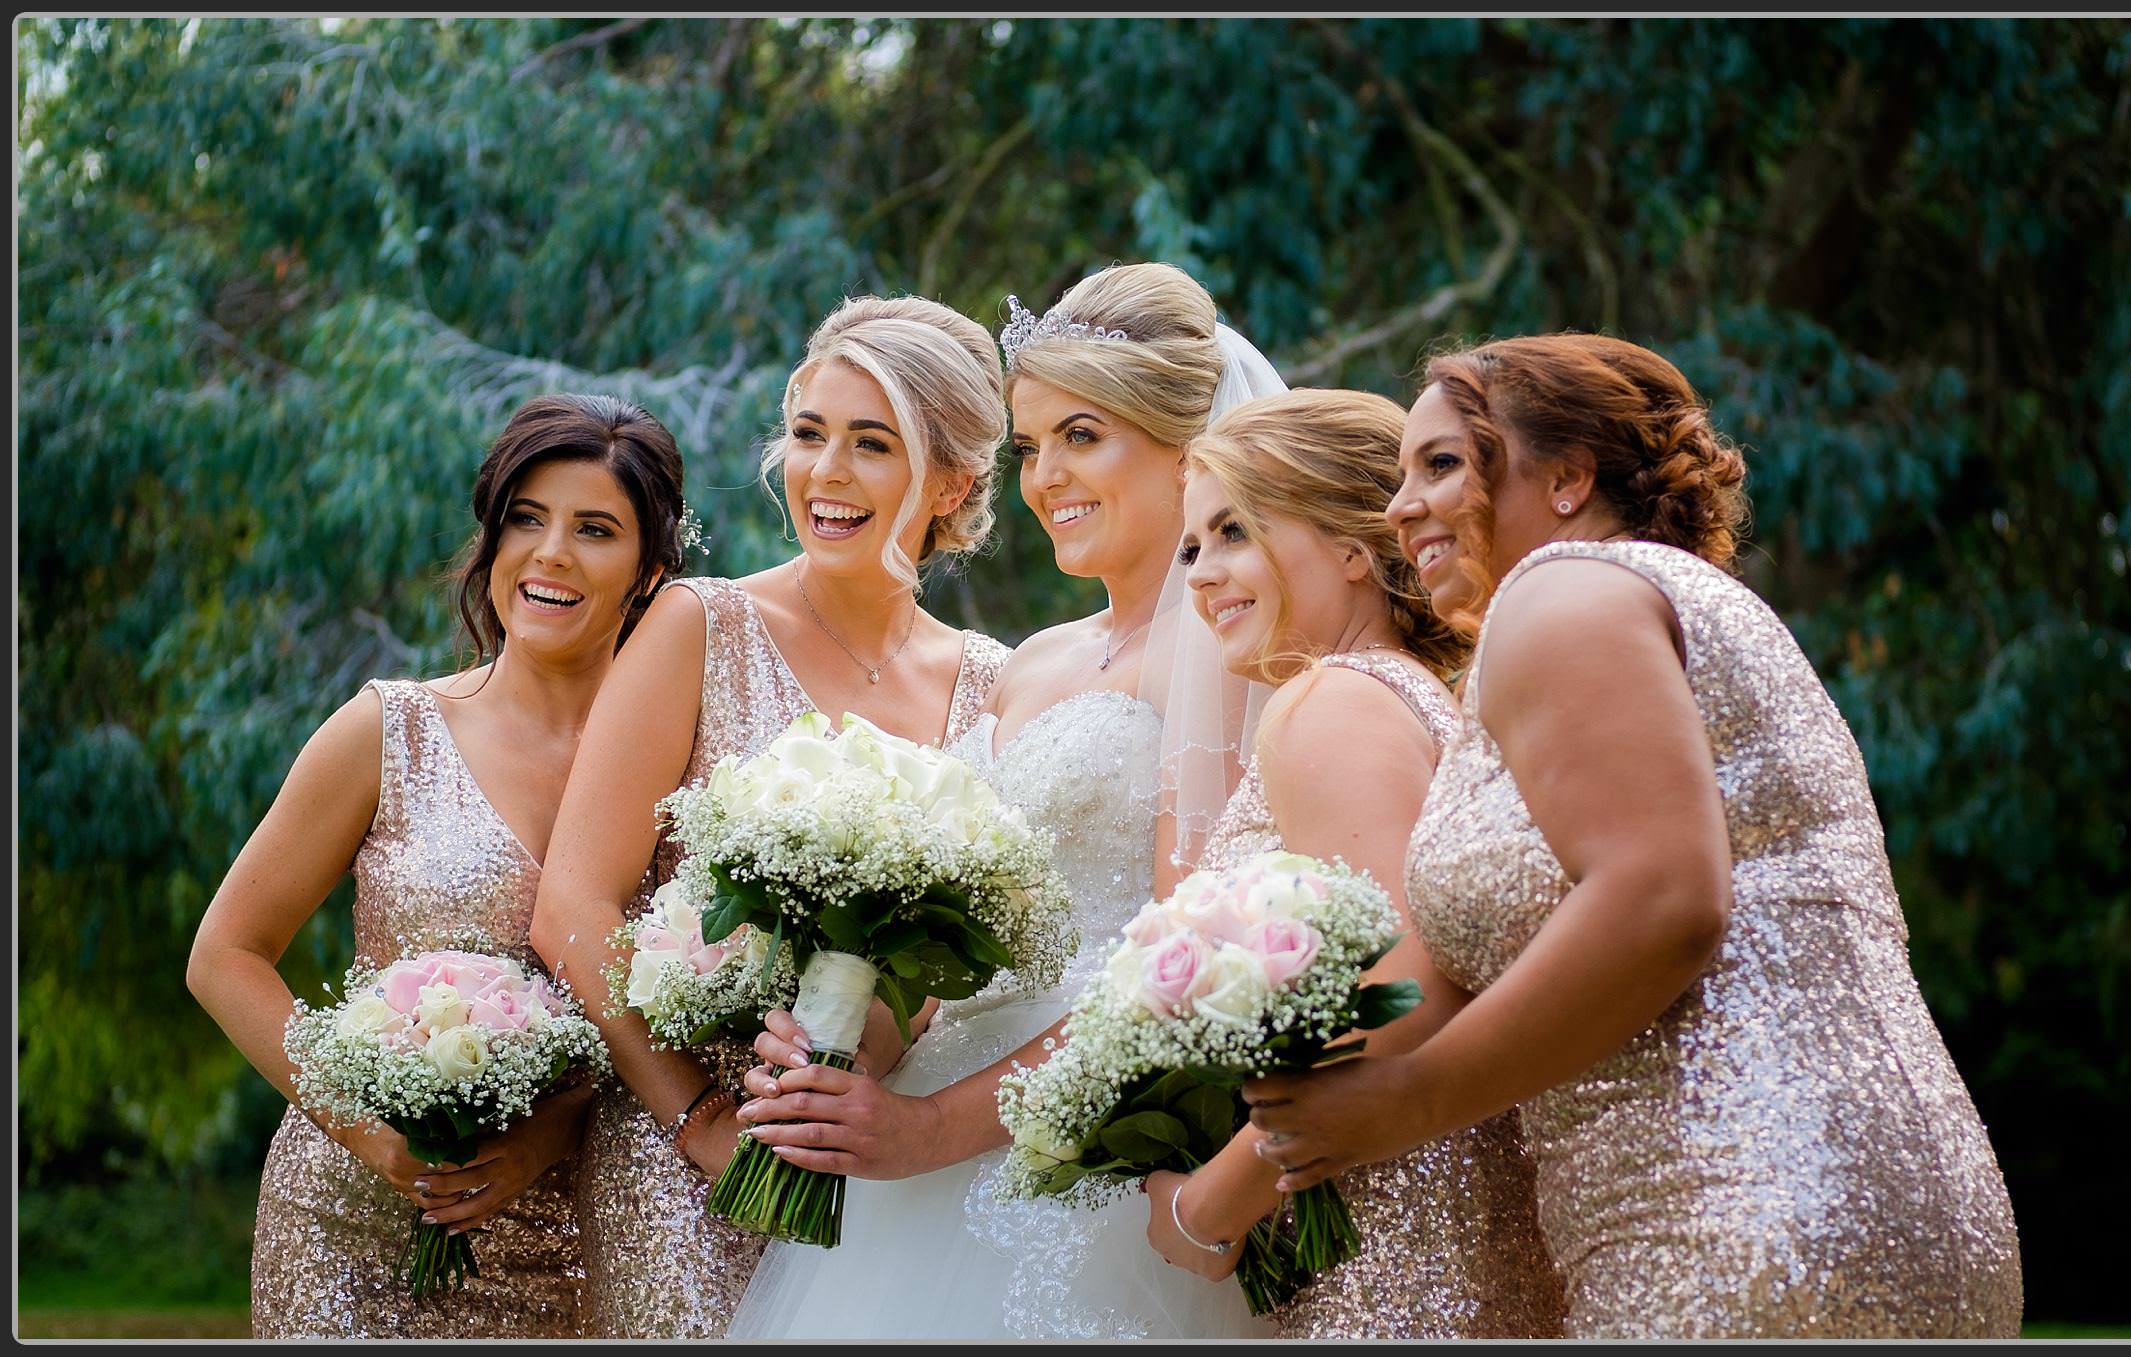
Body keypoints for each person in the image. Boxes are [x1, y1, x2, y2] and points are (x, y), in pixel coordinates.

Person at [1243, 334, 2025, 1338]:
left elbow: (1661, 899)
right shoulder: (1671, 604)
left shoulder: (1562, 593)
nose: (1400, 508)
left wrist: (1402, 1102)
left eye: (1440, 463)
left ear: (1567, 478)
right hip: (1855, 1184)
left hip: (1737, 1207)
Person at [728, 262, 1280, 1339]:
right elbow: (964, 943)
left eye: (1084, 435)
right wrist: (852, 1036)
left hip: (1095, 1156)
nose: (1046, 478)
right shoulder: (1032, 663)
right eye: (1032, 448)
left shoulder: (1223, 650)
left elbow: (1182, 974)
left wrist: (929, 1129)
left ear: (1187, 442)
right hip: (923, 1137)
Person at [527, 297, 1013, 1338]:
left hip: (878, 1188)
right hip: (679, 1170)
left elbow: (974, 959)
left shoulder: (997, 687)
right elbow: (570, 900)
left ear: (954, 481)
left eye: (870, 444)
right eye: (808, 434)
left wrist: (870, 1051)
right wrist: (698, 1119)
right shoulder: (699, 623)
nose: (824, 473)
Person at [189, 394, 691, 1337]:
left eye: (595, 529)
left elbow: (679, 1014)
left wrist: (552, 1131)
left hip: (580, 1239)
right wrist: (379, 1139)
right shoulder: (389, 730)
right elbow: (225, 955)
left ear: (649, 573)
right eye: (526, 519)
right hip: (356, 1229)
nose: (551, 554)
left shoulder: (689, 778)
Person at [1143, 388, 1566, 1337]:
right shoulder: (1411, 695)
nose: (1203, 575)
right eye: (1191, 547)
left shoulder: (1331, 702)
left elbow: (1416, 979)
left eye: (1235, 531)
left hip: (1394, 1242)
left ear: (1352, 546)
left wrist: (1212, 1201)